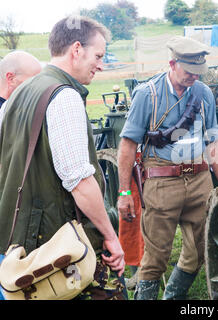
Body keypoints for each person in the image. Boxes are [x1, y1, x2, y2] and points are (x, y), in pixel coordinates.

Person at [0, 16, 126, 300]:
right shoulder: (63, 96)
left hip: (25, 247)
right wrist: (110, 236)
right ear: (77, 49)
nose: (101, 64)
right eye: (98, 55)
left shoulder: (17, 96)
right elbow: (79, 182)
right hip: (65, 249)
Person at [117, 36, 218, 300]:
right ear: (172, 63)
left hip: (201, 179)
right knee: (156, 258)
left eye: (198, 72)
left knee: (200, 251)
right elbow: (127, 146)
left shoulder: (203, 94)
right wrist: (124, 194)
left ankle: (172, 297)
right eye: (189, 71)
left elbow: (214, 139)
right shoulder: (148, 94)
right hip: (162, 180)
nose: (194, 77)